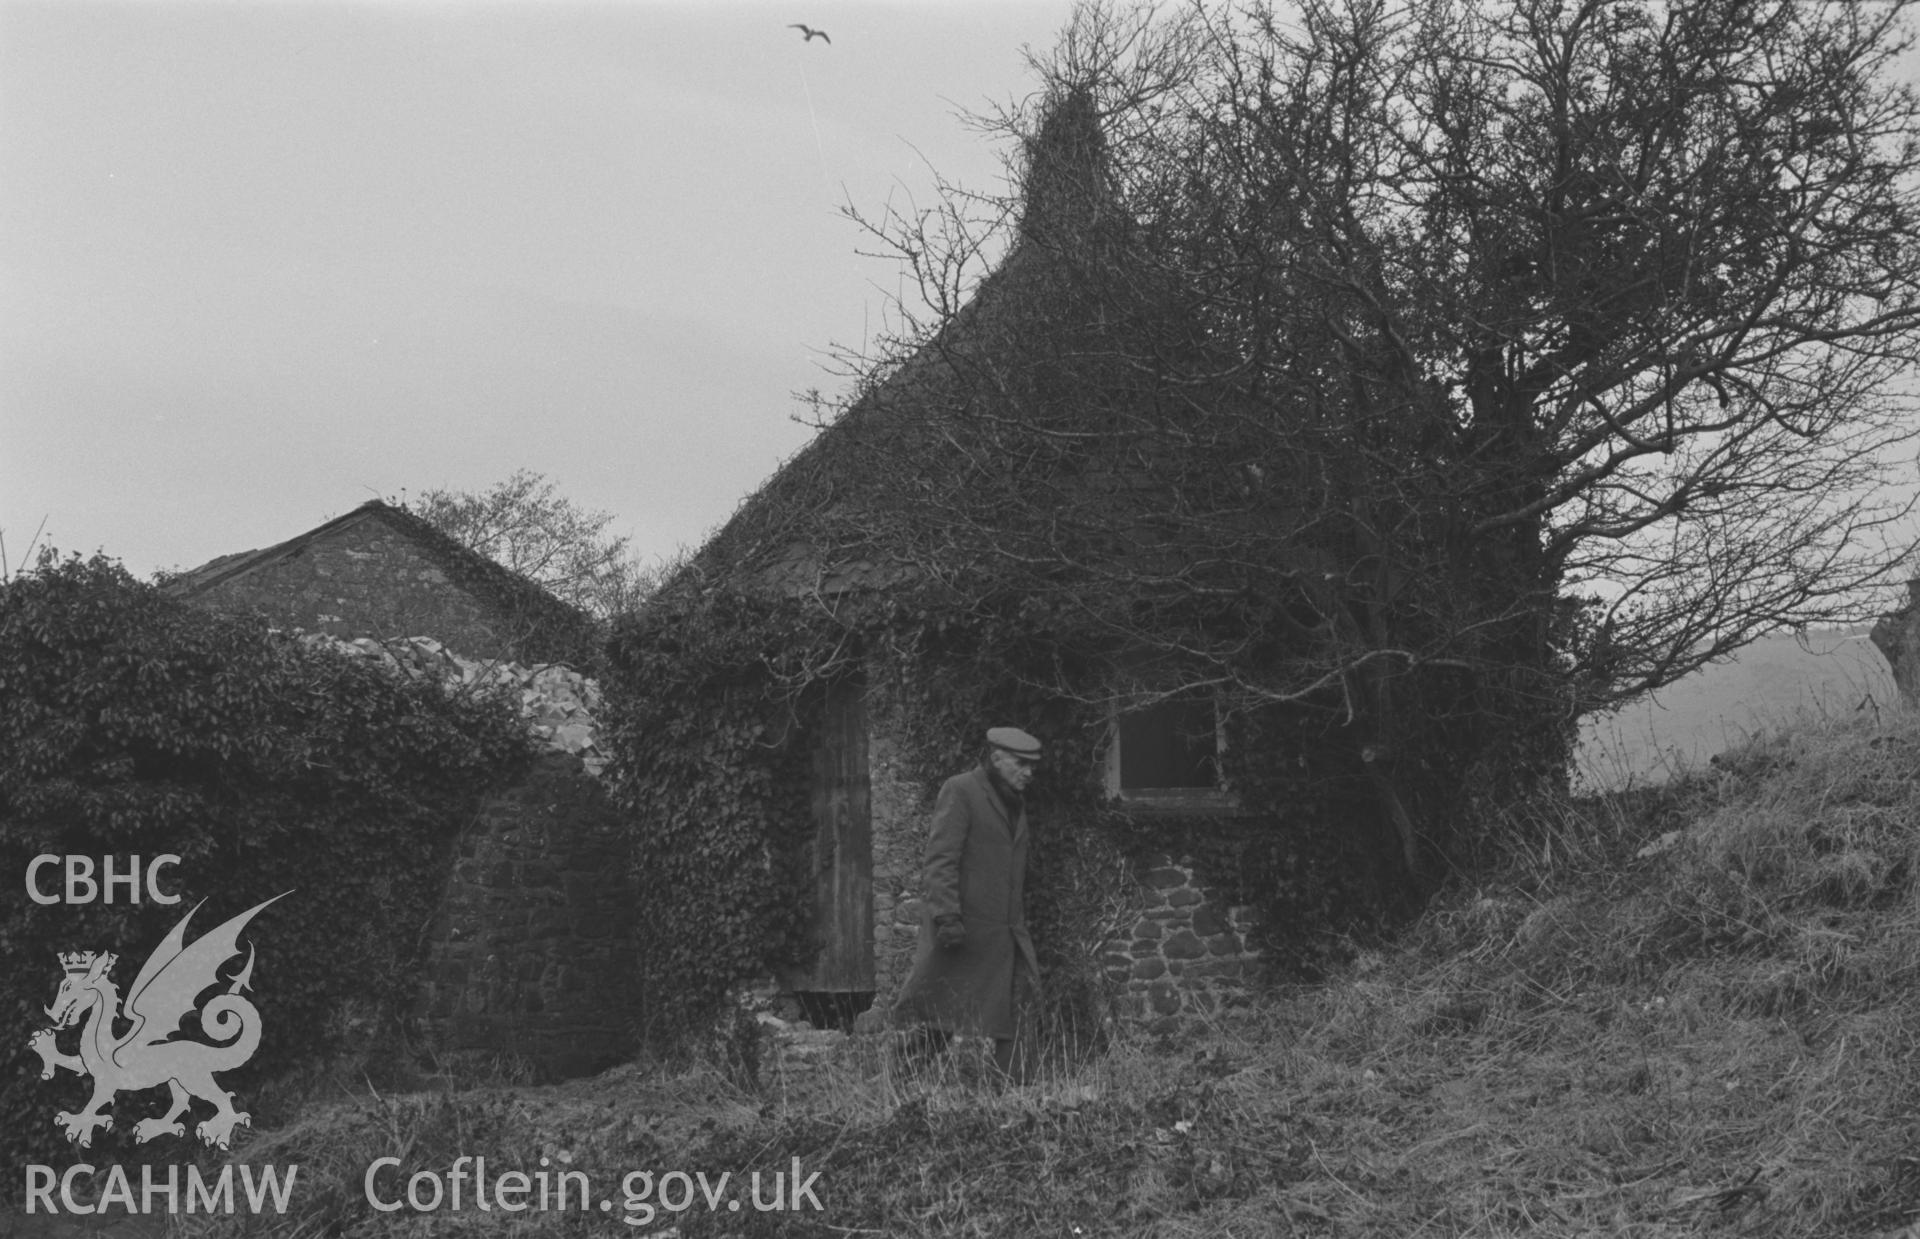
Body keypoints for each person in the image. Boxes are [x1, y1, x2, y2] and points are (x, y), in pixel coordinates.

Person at [893, 726, 1042, 1080]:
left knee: (1018, 1004)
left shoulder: (1014, 803)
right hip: (963, 930)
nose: (1029, 773)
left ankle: (1013, 1093)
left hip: (1005, 933)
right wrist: (947, 917)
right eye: (1021, 764)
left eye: (1033, 766)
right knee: (940, 1016)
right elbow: (940, 859)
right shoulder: (960, 790)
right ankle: (898, 1082)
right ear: (996, 758)